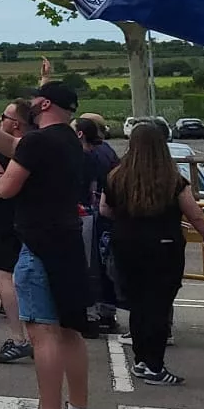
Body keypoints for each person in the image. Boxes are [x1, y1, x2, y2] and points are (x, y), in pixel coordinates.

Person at [0, 82, 96, 409]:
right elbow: (15, 147)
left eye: (36, 98)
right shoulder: (69, 140)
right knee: (70, 330)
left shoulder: (38, 141)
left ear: (46, 103)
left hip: (38, 244)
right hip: (68, 241)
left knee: (42, 332)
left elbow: (6, 188)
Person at [102, 122, 204, 385]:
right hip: (163, 246)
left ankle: (141, 361)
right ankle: (155, 365)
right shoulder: (172, 180)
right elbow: (195, 215)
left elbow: (105, 209)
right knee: (158, 306)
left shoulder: (116, 176)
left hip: (125, 245)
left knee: (138, 306)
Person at [78, 116, 122, 333]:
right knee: (104, 266)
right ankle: (107, 312)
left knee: (88, 265)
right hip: (106, 216)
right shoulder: (109, 152)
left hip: (87, 213)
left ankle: (90, 313)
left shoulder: (86, 155)